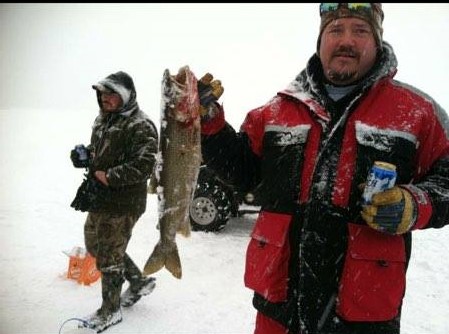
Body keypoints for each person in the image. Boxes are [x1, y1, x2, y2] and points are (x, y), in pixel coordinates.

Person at [198, 3, 449, 334]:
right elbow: (242, 172)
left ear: (377, 41)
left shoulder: (417, 111)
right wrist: (209, 123)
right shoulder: (277, 111)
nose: (346, 40)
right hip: (280, 313)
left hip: (362, 317)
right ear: (320, 41)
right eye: (335, 30)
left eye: (360, 30)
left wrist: (415, 205)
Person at [70, 71, 159, 333]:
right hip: (99, 197)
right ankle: (138, 281)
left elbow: (144, 165)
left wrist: (109, 176)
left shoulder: (141, 125)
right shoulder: (104, 119)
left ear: (126, 96)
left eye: (111, 94)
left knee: (109, 256)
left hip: (123, 202)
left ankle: (110, 311)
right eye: (102, 94)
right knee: (95, 244)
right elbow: (101, 151)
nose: (105, 99)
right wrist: (85, 157)